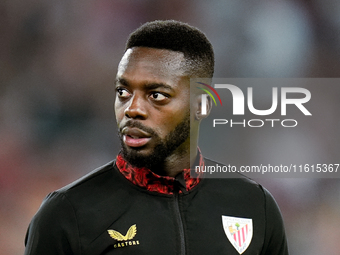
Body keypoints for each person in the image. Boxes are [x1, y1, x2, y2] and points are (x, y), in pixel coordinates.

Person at [24, 20, 288, 255]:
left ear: (202, 105)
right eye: (123, 92)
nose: (132, 109)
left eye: (156, 95)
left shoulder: (254, 206)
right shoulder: (67, 214)